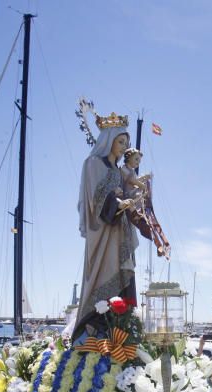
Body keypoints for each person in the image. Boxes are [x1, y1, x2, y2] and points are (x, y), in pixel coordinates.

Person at [73, 119, 139, 342]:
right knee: (102, 276)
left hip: (120, 234)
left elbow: (126, 195)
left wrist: (134, 200)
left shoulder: (119, 171)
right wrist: (117, 203)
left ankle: (121, 330)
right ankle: (94, 330)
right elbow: (96, 200)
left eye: (125, 143)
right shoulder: (93, 163)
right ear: (109, 141)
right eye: (120, 141)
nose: (123, 147)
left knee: (124, 277)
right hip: (103, 233)